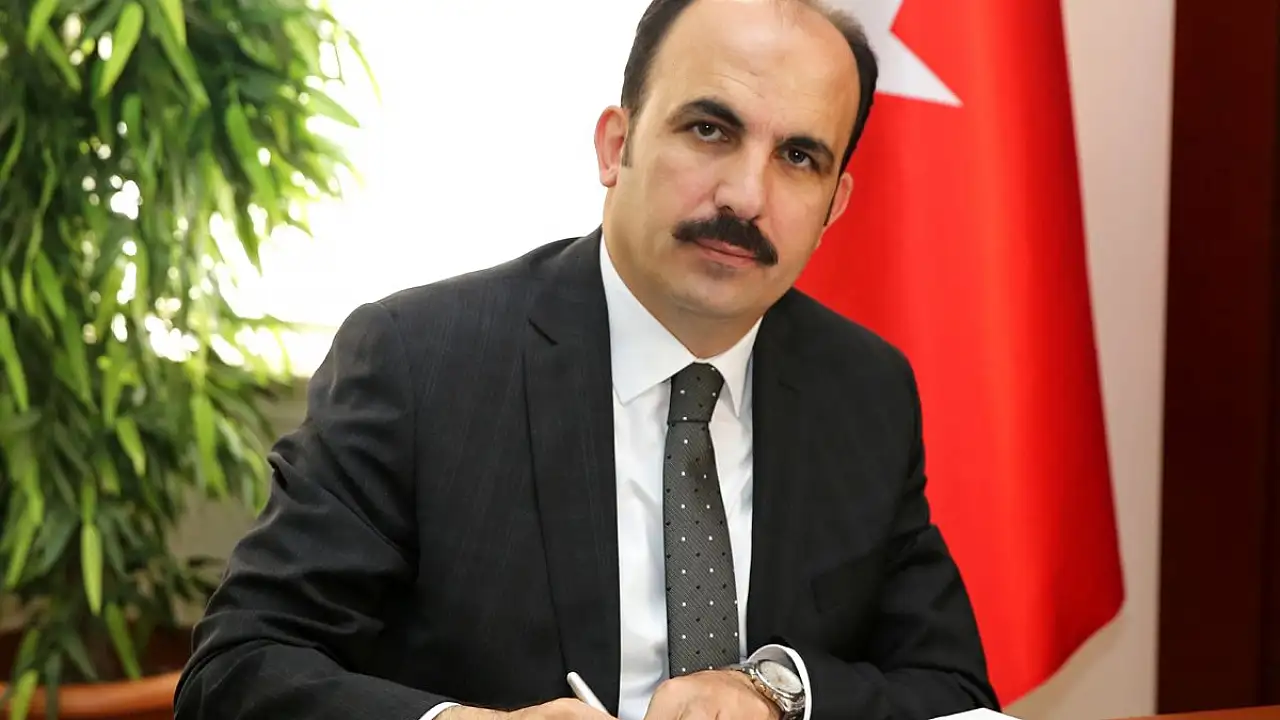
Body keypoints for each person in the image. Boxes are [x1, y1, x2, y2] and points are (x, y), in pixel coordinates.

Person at [173, 0, 1000, 718]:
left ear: (833, 207)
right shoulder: (419, 362)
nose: (747, 196)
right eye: (709, 130)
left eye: (798, 158)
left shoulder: (864, 389)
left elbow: (952, 692)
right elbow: (237, 670)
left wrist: (780, 690)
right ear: (615, 145)